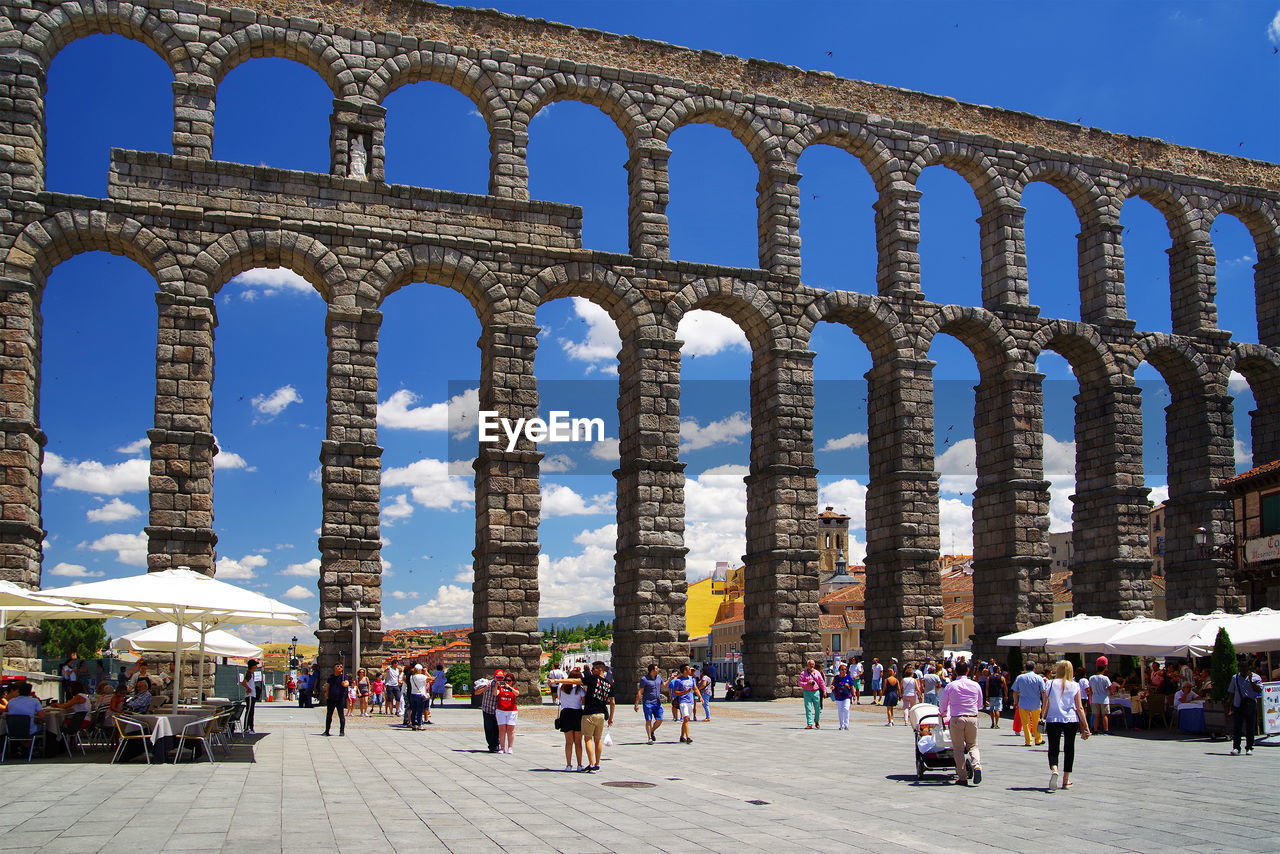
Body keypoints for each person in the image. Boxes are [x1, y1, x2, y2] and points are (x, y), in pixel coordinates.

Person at [1041, 659, 1090, 791]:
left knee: (1053, 748)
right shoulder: (1075, 685)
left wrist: (1042, 717)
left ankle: (1054, 769)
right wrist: (1085, 726)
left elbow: (1045, 703)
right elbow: (1079, 707)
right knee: (1069, 748)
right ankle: (1066, 779)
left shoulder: (1049, 683)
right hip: (1070, 719)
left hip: (1053, 719)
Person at [559, 661, 614, 772]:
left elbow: (576, 681)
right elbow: (612, 702)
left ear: (600, 670)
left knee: (587, 739)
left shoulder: (593, 679)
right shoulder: (609, 684)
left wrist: (557, 681)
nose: (592, 671)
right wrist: (611, 718)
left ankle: (591, 764)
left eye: (593, 669)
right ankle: (597, 764)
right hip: (601, 714)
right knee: (597, 740)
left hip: (589, 713)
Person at [938, 659, 984, 786]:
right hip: (972, 717)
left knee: (958, 748)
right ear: (968, 671)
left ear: (955, 671)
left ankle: (962, 777)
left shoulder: (951, 686)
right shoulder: (975, 685)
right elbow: (979, 703)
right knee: (973, 745)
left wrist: (942, 713)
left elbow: (943, 704)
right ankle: (977, 766)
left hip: (957, 718)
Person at [1226, 658, 1264, 756]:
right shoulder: (1235, 678)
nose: (1242, 670)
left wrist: (1251, 681)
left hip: (1250, 705)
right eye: (1240, 668)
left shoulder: (1256, 677)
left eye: (1244, 668)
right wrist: (1229, 708)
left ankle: (1249, 747)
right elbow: (1231, 693)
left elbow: (1259, 690)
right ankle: (1236, 747)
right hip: (1238, 705)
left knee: (1250, 727)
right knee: (1237, 728)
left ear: (1248, 668)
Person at [552, 667, 586, 770]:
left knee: (568, 742)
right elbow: (583, 701)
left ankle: (568, 764)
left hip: (565, 713)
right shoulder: (579, 688)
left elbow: (558, 698)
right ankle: (579, 765)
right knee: (578, 742)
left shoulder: (561, 687)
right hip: (577, 713)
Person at [1011, 661, 1046, 747]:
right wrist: (1044, 702)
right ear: (1034, 668)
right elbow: (1043, 691)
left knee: (1025, 723)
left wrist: (1015, 702)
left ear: (1025, 668)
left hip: (1023, 703)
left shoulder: (1020, 678)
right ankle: (1038, 739)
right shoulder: (1038, 678)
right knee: (1036, 721)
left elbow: (1015, 691)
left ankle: (1028, 740)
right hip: (1036, 703)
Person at [634, 663, 667, 744]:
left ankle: (652, 731)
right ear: (652, 670)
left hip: (657, 702)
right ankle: (649, 738)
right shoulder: (644, 679)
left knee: (660, 719)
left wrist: (670, 679)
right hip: (648, 703)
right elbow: (640, 691)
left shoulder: (659, 677)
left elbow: (664, 685)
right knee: (648, 720)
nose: (658, 669)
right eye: (656, 668)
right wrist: (636, 704)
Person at [670, 663, 700, 744]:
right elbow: (675, 692)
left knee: (686, 720)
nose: (690, 670)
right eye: (689, 669)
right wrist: (684, 692)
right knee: (686, 718)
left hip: (690, 701)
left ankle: (681, 736)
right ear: (685, 671)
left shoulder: (691, 679)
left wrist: (700, 697)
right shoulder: (678, 680)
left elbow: (695, 688)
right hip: (683, 701)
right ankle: (688, 737)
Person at [475, 673, 503, 752]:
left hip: (498, 710)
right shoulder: (488, 683)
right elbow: (476, 692)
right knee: (489, 728)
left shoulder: (504, 685)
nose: (500, 679)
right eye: (498, 677)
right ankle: (491, 745)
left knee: (497, 728)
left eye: (501, 677)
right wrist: (485, 688)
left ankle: (496, 744)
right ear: (494, 677)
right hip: (487, 709)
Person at [798, 659, 827, 730]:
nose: (811, 666)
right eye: (810, 664)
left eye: (812, 664)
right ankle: (809, 724)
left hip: (816, 692)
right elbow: (799, 683)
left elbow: (821, 682)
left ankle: (816, 721)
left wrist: (824, 691)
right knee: (808, 708)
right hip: (807, 692)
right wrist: (807, 683)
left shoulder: (817, 673)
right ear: (807, 665)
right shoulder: (803, 673)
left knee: (818, 708)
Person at [494, 671, 519, 753]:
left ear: (512, 682)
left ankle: (510, 747)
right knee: (502, 729)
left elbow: (517, 694)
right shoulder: (500, 688)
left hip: (511, 711)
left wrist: (509, 687)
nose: (507, 682)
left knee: (510, 730)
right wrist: (496, 686)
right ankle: (502, 747)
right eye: (506, 680)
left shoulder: (514, 689)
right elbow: (495, 694)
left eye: (509, 680)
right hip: (501, 710)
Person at [323, 662, 350, 736]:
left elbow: (347, 683)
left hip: (340, 698)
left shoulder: (343, 677)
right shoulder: (331, 677)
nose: (339, 667)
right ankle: (327, 730)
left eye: (341, 666)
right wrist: (327, 695)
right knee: (329, 715)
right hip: (331, 698)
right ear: (334, 667)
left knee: (341, 715)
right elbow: (328, 686)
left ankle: (342, 731)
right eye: (338, 666)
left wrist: (345, 684)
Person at [1088, 658, 1113, 735]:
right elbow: (1109, 687)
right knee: (1104, 715)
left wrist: (1092, 695)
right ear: (1103, 670)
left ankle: (1095, 729)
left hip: (1095, 698)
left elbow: (1090, 689)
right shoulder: (1105, 678)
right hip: (1103, 698)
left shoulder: (1091, 678)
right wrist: (1110, 693)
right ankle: (1106, 730)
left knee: (1096, 715)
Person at [832, 662, 855, 730]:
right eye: (842, 669)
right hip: (838, 695)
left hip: (847, 695)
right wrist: (832, 687)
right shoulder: (836, 678)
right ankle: (841, 725)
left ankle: (846, 724)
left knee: (846, 709)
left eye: (845, 669)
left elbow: (852, 686)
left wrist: (854, 695)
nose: (844, 671)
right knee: (840, 710)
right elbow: (833, 684)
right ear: (839, 670)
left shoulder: (849, 678)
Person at [407, 663, 430, 730]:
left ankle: (413, 724)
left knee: (413, 711)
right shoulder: (422, 676)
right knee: (419, 711)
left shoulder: (412, 677)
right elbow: (432, 679)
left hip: (412, 694)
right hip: (420, 695)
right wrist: (426, 672)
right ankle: (419, 725)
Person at [240, 659, 261, 733]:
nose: (256, 666)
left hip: (252, 695)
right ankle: (246, 728)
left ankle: (251, 727)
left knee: (251, 712)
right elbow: (243, 683)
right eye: (255, 665)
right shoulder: (248, 674)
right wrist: (248, 688)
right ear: (252, 666)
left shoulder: (251, 674)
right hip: (250, 695)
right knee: (249, 711)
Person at [986, 664, 1006, 729]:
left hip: (991, 695)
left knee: (991, 709)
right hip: (999, 695)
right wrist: (1006, 695)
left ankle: (992, 723)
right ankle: (996, 724)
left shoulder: (989, 678)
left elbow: (987, 687)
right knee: (997, 709)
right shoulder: (1002, 678)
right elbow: (1005, 687)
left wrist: (987, 696)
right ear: (998, 670)